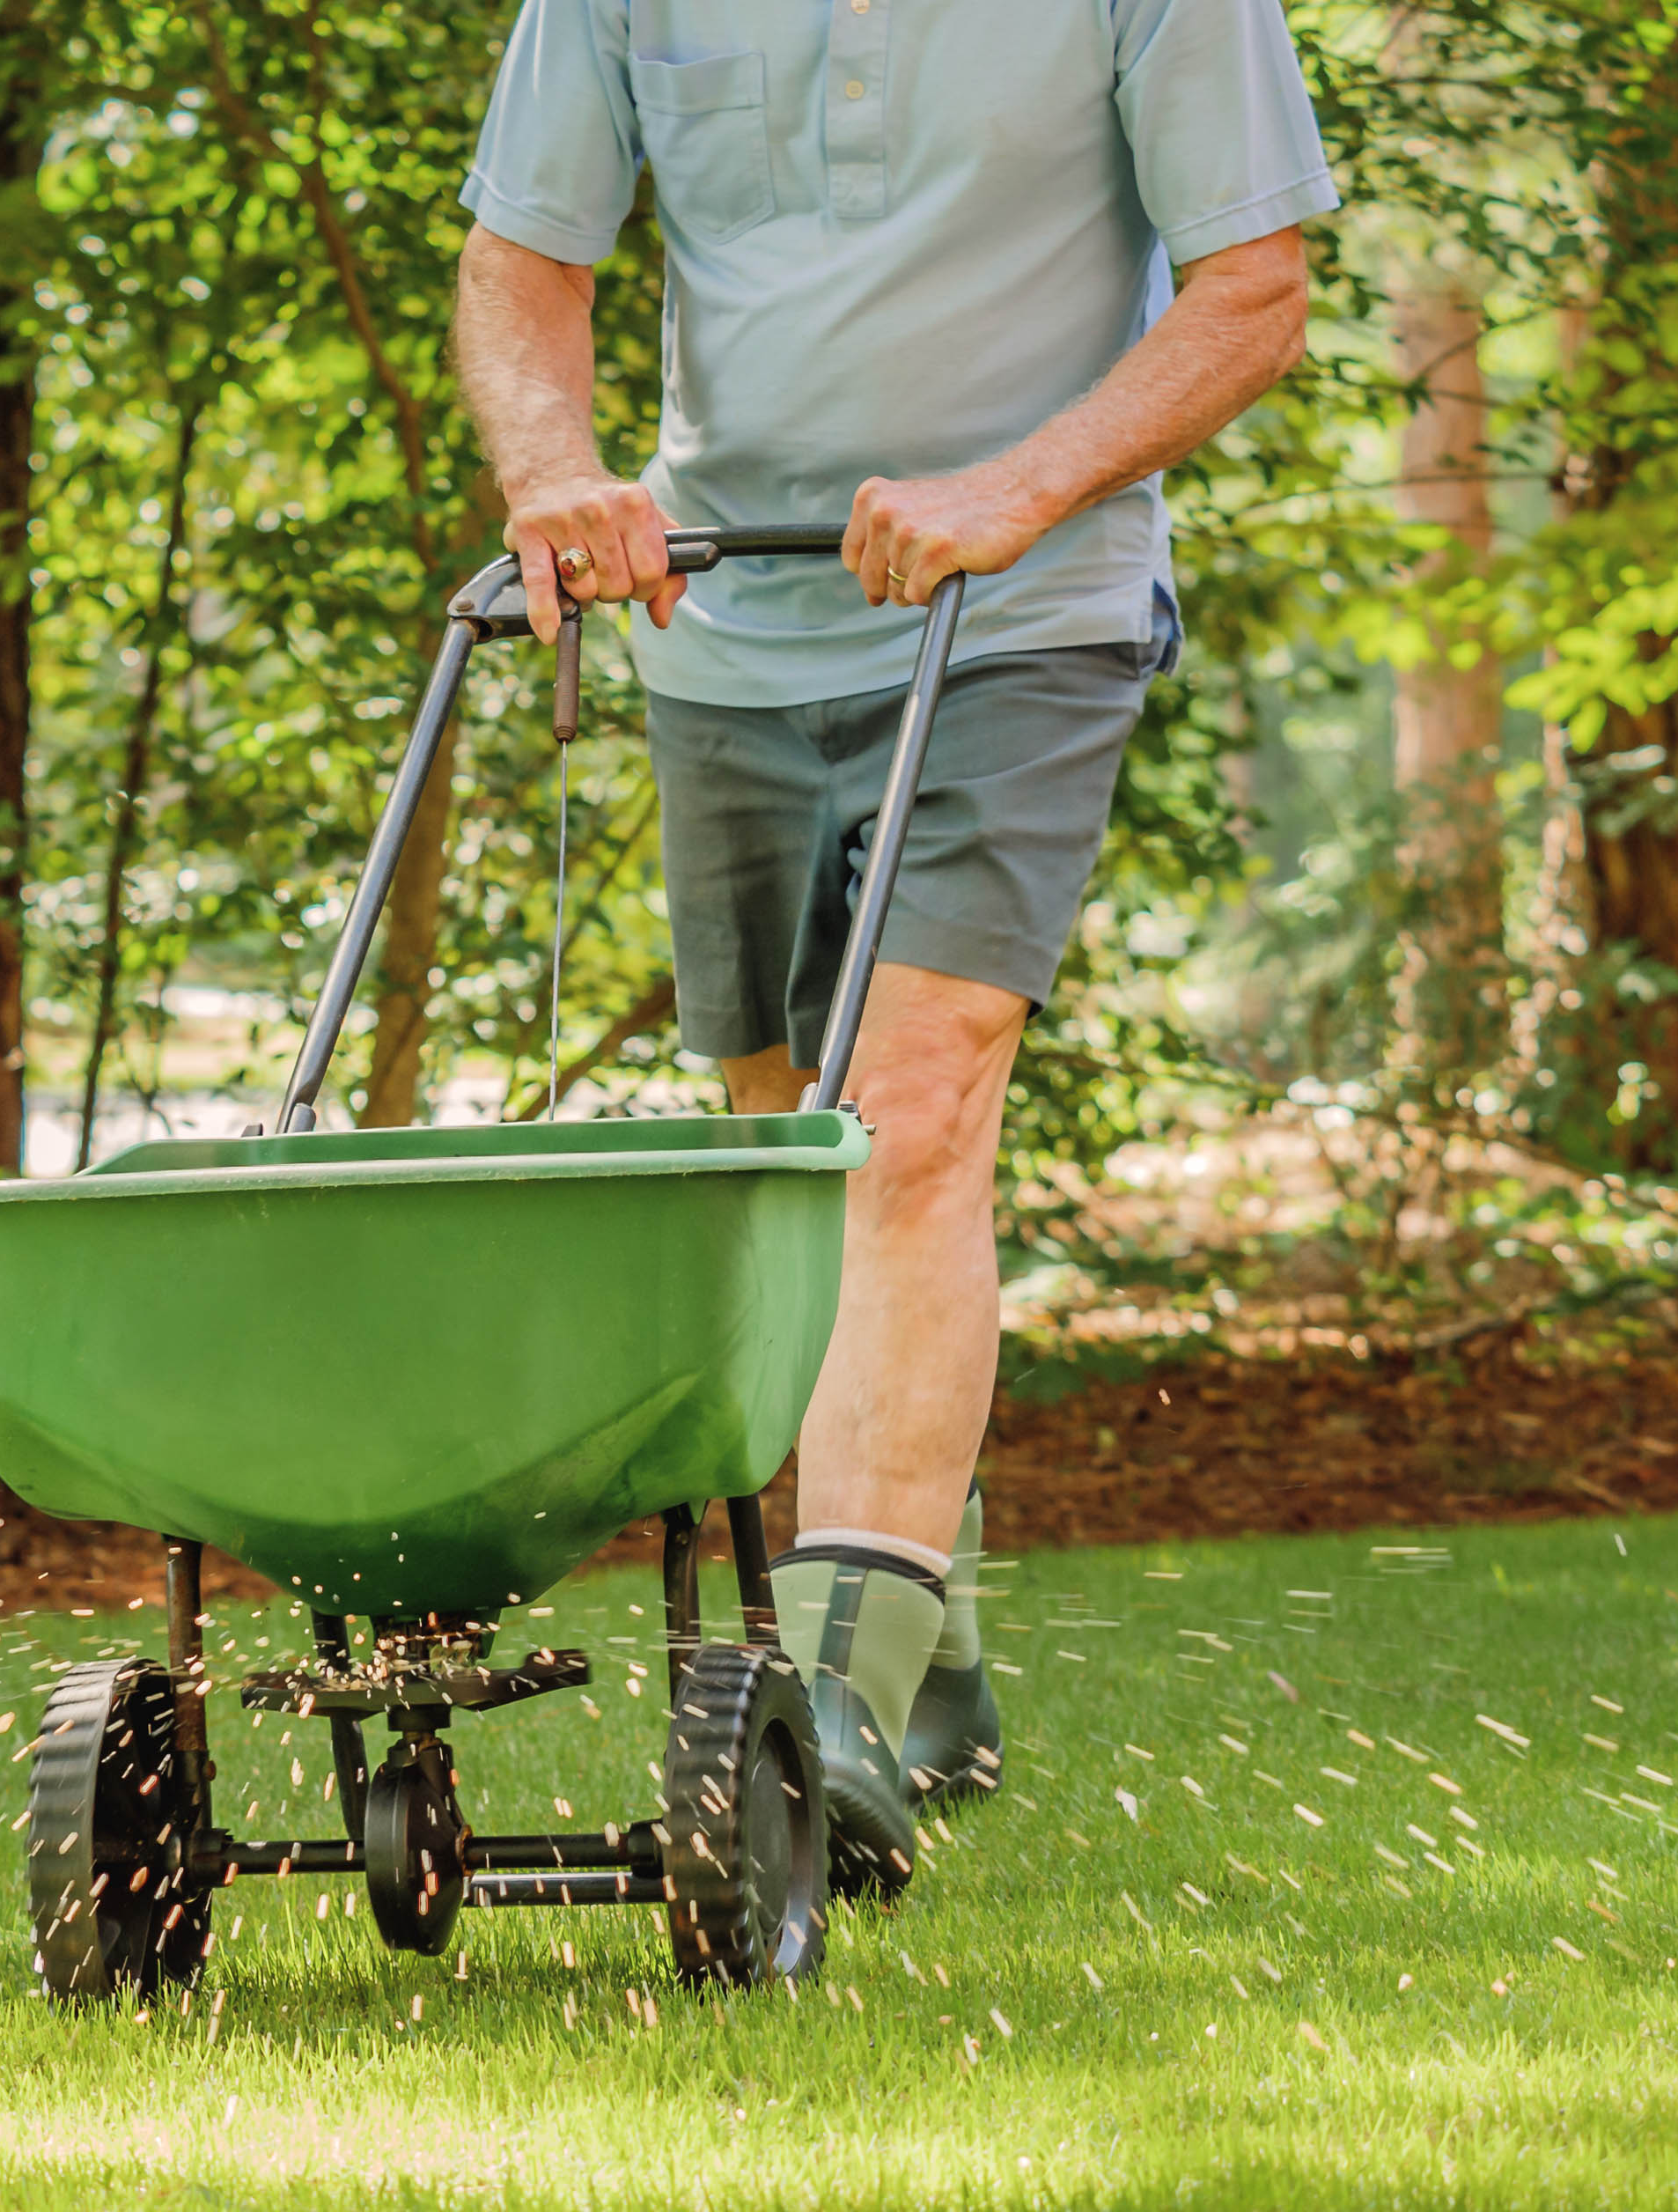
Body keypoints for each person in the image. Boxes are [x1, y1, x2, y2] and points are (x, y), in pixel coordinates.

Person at [453, 0, 1334, 1887]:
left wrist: (1014, 492)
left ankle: (832, 1714)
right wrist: (553, 472)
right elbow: (526, 260)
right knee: (789, 1154)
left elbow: (1254, 290)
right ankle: (926, 1638)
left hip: (1025, 611)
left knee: (908, 1118)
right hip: (734, 623)